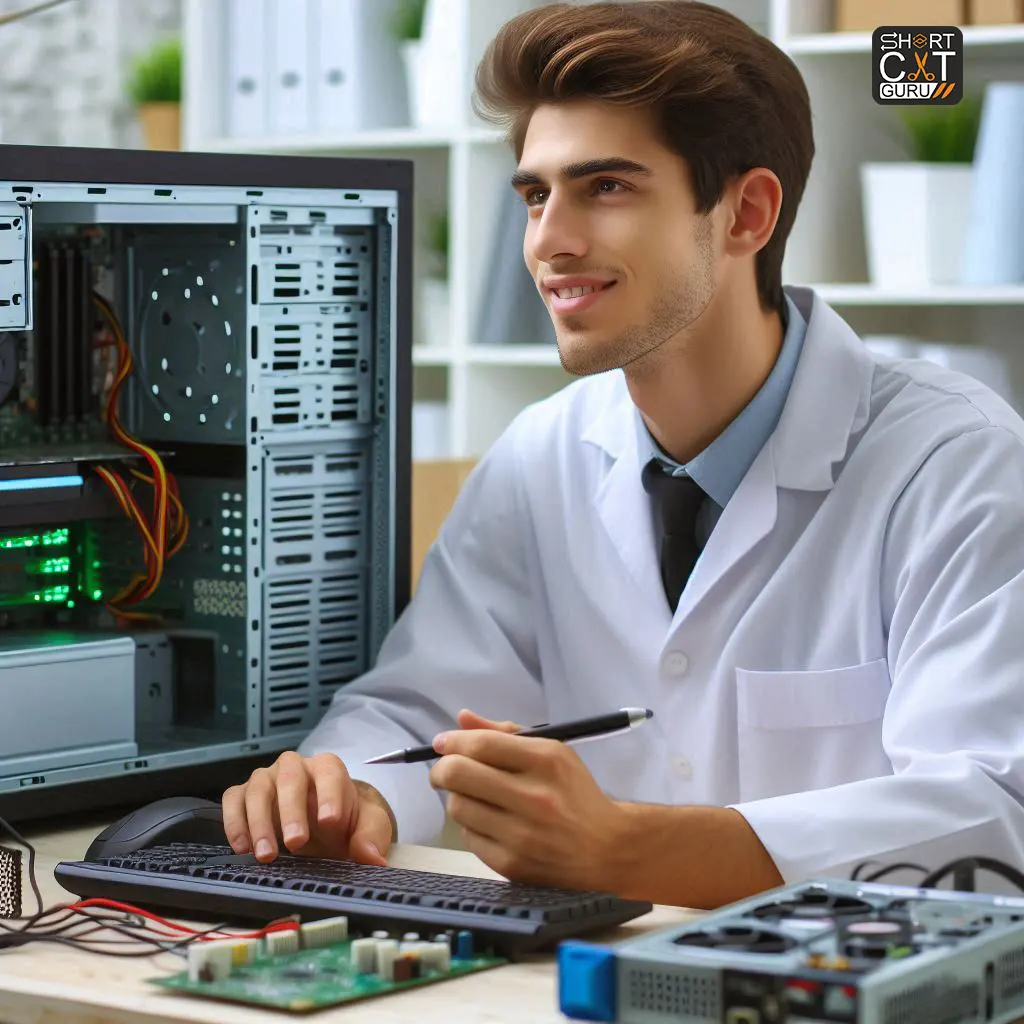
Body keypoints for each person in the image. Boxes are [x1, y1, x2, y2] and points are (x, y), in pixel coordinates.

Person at [221, 0, 1024, 909]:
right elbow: (418, 708)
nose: (547, 242)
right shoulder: (542, 455)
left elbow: (994, 806)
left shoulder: (957, 465)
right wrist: (346, 787)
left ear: (746, 212)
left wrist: (625, 848)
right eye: (535, 194)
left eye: (605, 187)